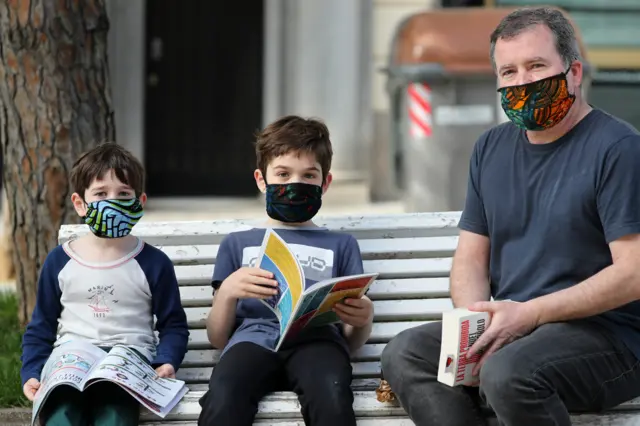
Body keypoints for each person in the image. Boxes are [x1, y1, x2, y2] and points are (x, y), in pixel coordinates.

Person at [380, 7, 640, 426]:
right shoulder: (490, 149)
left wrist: (531, 314)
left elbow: (633, 273)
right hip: (516, 330)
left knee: (508, 373)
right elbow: (470, 257)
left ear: (574, 72)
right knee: (405, 353)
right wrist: (476, 321)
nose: (523, 82)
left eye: (537, 66)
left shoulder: (619, 149)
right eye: (509, 72)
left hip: (607, 338)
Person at [197, 115, 374, 426]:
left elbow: (352, 342)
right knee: (224, 396)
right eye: (283, 174)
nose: (295, 185)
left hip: (318, 343)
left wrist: (362, 318)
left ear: (325, 182)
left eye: (309, 176)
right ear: (261, 180)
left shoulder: (342, 244)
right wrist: (227, 293)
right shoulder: (238, 244)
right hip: (250, 343)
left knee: (332, 397)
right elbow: (217, 337)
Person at [20, 142, 189, 426]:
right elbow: (41, 327)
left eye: (124, 194)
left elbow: (173, 325)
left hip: (127, 365)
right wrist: (33, 372)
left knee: (114, 417)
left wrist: (167, 360)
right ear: (80, 204)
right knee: (61, 416)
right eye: (100, 194)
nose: (113, 202)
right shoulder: (60, 261)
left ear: (140, 203)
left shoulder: (153, 263)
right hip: (69, 363)